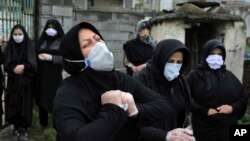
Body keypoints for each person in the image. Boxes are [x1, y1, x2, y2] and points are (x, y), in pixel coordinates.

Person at [52, 22, 173, 141]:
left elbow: (164, 106)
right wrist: (112, 108)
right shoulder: (67, 93)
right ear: (75, 57)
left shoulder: (119, 79)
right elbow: (76, 136)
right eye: (86, 44)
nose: (97, 45)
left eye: (98, 39)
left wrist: (134, 109)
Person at [134, 39, 195, 141]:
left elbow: (183, 112)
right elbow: (133, 122)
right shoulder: (142, 79)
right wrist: (164, 135)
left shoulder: (180, 81)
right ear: (161, 58)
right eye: (170, 61)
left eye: (179, 62)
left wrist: (185, 132)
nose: (175, 66)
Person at [187, 39, 247, 141]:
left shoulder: (229, 76)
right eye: (212, 53)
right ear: (205, 54)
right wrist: (204, 110)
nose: (216, 57)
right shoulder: (194, 76)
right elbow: (185, 98)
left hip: (226, 129)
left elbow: (242, 98)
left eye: (219, 54)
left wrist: (232, 108)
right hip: (202, 129)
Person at [4, 24, 37, 141]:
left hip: (26, 82)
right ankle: (16, 128)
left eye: (20, 34)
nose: (17, 36)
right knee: (13, 104)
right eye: (15, 34)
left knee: (25, 105)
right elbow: (6, 64)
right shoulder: (10, 47)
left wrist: (24, 66)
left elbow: (33, 64)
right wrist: (14, 68)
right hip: (13, 82)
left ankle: (24, 129)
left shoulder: (29, 46)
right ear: (12, 35)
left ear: (24, 34)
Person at [35, 19, 64, 128]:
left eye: (53, 27)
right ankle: (43, 124)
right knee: (42, 97)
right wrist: (38, 56)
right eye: (48, 27)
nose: (50, 30)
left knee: (55, 100)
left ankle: (56, 126)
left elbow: (65, 59)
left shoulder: (62, 41)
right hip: (41, 76)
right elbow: (34, 52)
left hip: (54, 77)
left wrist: (52, 58)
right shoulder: (42, 40)